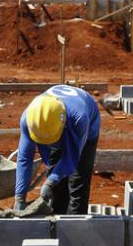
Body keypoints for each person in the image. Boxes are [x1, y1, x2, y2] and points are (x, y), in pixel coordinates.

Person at [14, 85, 100, 214]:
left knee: (77, 183)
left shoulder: (80, 119)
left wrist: (49, 182)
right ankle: (55, 223)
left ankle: (76, 226)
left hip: (86, 126)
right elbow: (25, 159)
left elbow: (71, 159)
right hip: (56, 125)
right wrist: (19, 196)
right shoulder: (29, 119)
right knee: (55, 189)